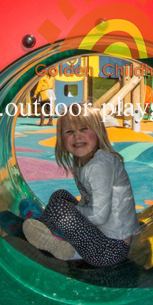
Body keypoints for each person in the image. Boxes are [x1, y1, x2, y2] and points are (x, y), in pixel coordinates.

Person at [22, 105, 139, 266]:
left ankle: (66, 247)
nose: (77, 136)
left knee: (60, 208)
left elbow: (99, 216)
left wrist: (70, 212)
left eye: (84, 129)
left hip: (109, 250)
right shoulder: (83, 161)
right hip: (100, 239)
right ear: (62, 139)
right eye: (69, 132)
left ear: (98, 131)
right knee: (60, 195)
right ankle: (47, 228)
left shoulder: (100, 165)